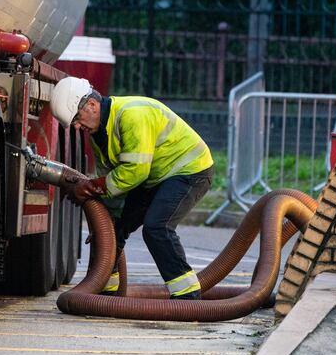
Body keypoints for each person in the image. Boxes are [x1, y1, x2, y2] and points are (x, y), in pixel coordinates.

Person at [49, 76, 214, 299]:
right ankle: (107, 292)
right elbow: (110, 179)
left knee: (157, 228)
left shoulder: (131, 115)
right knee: (114, 230)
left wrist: (92, 187)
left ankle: (187, 296)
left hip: (189, 171)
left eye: (77, 118)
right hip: (155, 177)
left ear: (92, 104)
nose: (77, 126)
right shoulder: (99, 134)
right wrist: (104, 221)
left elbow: (135, 170)